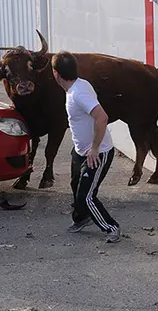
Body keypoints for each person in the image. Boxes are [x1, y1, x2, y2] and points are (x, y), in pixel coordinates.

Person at [52, 52, 122, 243]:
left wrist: (95, 148)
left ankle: (111, 228)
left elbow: (102, 117)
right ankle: (82, 218)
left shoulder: (78, 93)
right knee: (76, 185)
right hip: (80, 151)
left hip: (97, 153)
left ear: (56, 74)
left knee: (87, 196)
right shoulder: (79, 85)